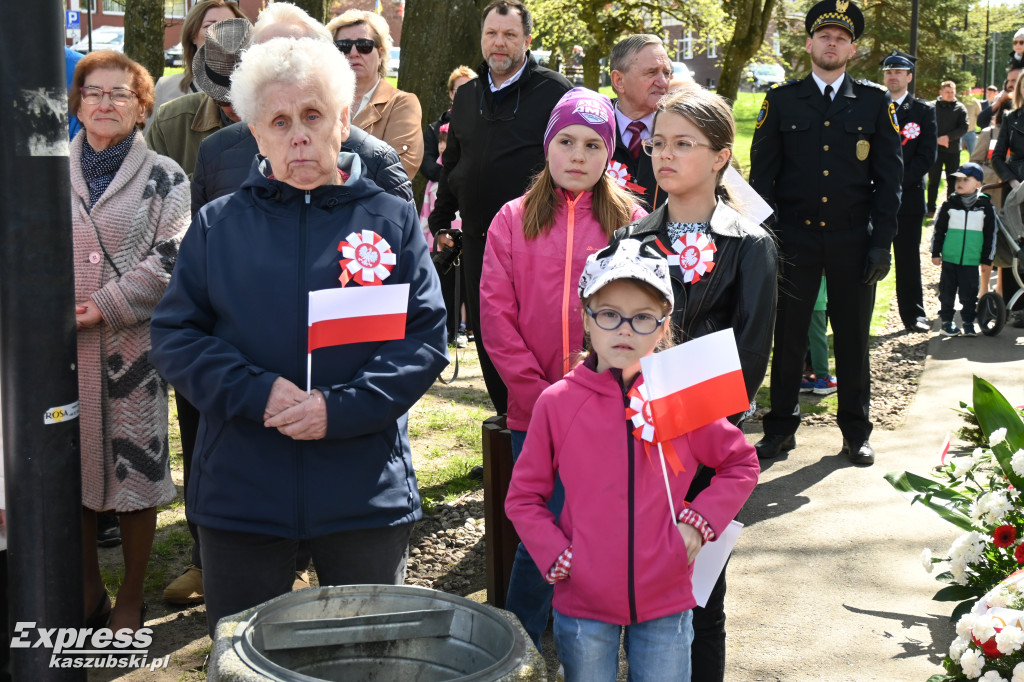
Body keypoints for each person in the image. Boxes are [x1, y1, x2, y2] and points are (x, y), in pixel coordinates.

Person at [149, 36, 448, 637]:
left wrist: (337, 410)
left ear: (343, 119)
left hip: (363, 490)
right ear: (254, 134)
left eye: (313, 116)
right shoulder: (217, 225)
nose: (298, 136)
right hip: (243, 491)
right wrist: (257, 393)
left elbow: (423, 339)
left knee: (368, 655)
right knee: (243, 658)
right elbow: (177, 336)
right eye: (279, 122)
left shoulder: (389, 220)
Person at [504, 238, 759, 682]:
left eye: (642, 318)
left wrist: (698, 523)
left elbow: (740, 464)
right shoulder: (557, 403)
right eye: (609, 314)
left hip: (666, 595)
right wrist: (558, 554)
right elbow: (523, 497)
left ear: (663, 327)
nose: (624, 329)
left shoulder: (681, 395)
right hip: (583, 601)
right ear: (587, 320)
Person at [610, 85, 778, 681]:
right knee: (628, 596)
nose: (665, 154)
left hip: (705, 452)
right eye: (658, 143)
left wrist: (687, 435)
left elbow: (748, 358)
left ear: (721, 156)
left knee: (700, 601)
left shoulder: (750, 246)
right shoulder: (629, 242)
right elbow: (612, 348)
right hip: (631, 446)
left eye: (684, 143)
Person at [479, 87, 646, 650]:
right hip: (535, 409)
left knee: (598, 523)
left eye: (593, 144)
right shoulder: (512, 219)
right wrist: (544, 394)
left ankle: (593, 630)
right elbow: (496, 317)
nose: (578, 155)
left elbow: (642, 319)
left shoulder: (632, 222)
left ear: (610, 153)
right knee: (541, 528)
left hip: (609, 406)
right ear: (548, 146)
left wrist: (597, 390)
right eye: (567, 141)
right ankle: (518, 638)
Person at [749, 0, 903, 467]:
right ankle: (780, 429)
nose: (831, 43)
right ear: (810, 43)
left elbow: (889, 181)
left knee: (853, 339)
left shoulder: (876, 103)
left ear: (851, 49)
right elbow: (762, 178)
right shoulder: (781, 99)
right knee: (789, 336)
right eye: (824, 36)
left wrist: (881, 244)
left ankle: (856, 432)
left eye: (840, 37)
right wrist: (769, 242)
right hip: (794, 238)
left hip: (853, 239)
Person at [69, 50, 191, 634]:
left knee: (134, 474)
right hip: (60, 351)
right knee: (71, 471)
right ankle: (89, 585)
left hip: (131, 351)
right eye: (94, 92)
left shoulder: (166, 176)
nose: (105, 103)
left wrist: (107, 305)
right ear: (78, 103)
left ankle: (131, 593)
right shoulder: (47, 172)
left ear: (142, 106)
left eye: (120, 93)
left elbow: (172, 257)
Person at [429, 0, 572, 416]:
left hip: (535, 240)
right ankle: (508, 432)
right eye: (491, 33)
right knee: (490, 338)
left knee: (530, 341)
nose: (499, 43)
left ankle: (545, 433)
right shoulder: (469, 94)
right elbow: (453, 162)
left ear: (527, 40)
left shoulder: (555, 91)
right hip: (476, 241)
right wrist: (442, 216)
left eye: (509, 35)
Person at [145, 17, 251, 180]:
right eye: (225, 100)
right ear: (210, 89)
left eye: (244, 96)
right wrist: (206, 182)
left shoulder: (290, 118)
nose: (235, 107)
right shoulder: (170, 121)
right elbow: (146, 188)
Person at [326, 10, 423, 178]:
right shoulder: (321, 102)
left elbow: (398, 170)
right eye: (344, 46)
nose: (353, 53)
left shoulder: (402, 104)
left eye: (364, 46)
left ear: (380, 54)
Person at [881, 49, 937, 332]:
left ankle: (913, 314)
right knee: (857, 258)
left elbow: (926, 156)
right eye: (889, 72)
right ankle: (849, 316)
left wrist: (895, 182)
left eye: (898, 72)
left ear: (909, 77)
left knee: (907, 258)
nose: (893, 76)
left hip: (908, 196)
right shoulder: (871, 107)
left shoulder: (923, 112)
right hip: (871, 197)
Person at [147, 0, 247, 128]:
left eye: (230, 25)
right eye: (210, 26)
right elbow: (149, 145)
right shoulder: (166, 87)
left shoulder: (256, 86)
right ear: (193, 36)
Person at [607, 34, 672, 211]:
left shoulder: (684, 128)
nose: (663, 82)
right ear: (618, 81)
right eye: (651, 73)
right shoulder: (593, 128)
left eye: (666, 73)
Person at [930, 162, 996, 337]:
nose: (959, 183)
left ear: (978, 184)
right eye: (957, 179)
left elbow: (991, 235)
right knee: (947, 292)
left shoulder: (985, 207)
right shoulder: (949, 205)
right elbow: (939, 230)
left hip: (971, 260)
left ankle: (968, 322)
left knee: (969, 293)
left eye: (966, 179)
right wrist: (936, 253)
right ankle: (947, 322)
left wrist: (986, 259)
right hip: (950, 259)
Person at [992, 71, 1024, 328]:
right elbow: (997, 156)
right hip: (1015, 188)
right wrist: (1012, 181)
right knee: (1015, 246)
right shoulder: (1011, 118)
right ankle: (1018, 308)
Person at [421, 65, 477, 187]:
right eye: (461, 90)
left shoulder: (484, 126)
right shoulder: (434, 129)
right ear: (451, 94)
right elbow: (427, 166)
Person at [926, 81, 969, 215]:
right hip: (935, 149)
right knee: (934, 180)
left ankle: (951, 207)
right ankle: (931, 208)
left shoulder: (960, 108)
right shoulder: (932, 106)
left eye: (952, 92)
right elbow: (927, 125)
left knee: (952, 180)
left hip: (953, 150)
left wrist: (948, 137)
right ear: (941, 92)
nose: (950, 94)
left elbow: (964, 127)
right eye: (947, 92)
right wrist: (937, 139)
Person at [963, 88, 981, 157]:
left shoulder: (975, 102)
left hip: (971, 131)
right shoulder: (959, 101)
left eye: (968, 90)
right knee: (956, 154)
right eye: (965, 90)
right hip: (960, 132)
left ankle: (973, 167)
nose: (967, 92)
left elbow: (979, 116)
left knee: (973, 154)